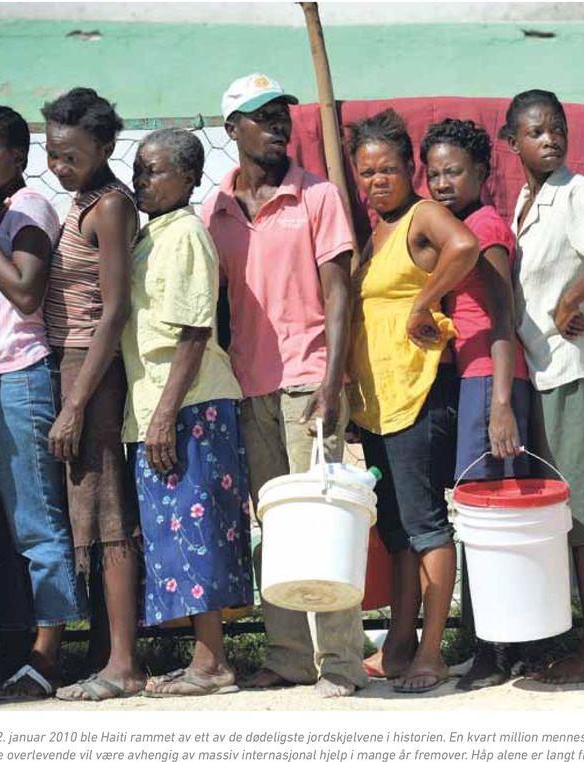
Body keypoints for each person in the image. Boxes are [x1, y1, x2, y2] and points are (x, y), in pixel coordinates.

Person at [200, 73, 368, 699]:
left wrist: (332, 378)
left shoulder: (318, 196)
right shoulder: (213, 209)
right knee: (277, 523)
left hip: (309, 381)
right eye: (261, 115)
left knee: (322, 520)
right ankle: (292, 656)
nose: (278, 124)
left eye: (282, 113)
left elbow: (339, 291)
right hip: (248, 387)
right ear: (232, 130)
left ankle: (343, 664)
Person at [503, 89, 584, 685]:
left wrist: (571, 298)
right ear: (512, 142)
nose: (550, 139)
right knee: (559, 514)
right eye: (535, 132)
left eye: (557, 129)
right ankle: (571, 639)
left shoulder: (576, 191)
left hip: (571, 372)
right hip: (539, 374)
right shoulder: (525, 201)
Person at [347, 108, 479, 693]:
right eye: (367, 172)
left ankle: (432, 651)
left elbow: (465, 246)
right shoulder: (373, 231)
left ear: (409, 170)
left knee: (426, 527)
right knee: (397, 532)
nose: (378, 180)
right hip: (379, 400)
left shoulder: (423, 215)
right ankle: (399, 645)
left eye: (389, 170)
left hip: (419, 393)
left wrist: (424, 303)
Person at [121, 128, 253, 696]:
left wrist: (164, 413)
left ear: (189, 177)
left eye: (153, 170)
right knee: (176, 532)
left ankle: (211, 662)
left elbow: (195, 330)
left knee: (200, 530)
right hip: (159, 402)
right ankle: (205, 659)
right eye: (139, 170)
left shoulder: (187, 237)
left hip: (189, 404)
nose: (141, 181)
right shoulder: (152, 236)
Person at [41, 88, 145, 701]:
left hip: (91, 367)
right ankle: (105, 653)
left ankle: (125, 664)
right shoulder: (80, 200)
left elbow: (114, 311)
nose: (59, 165)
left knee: (108, 513)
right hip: (72, 362)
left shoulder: (109, 206)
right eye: (53, 154)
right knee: (91, 507)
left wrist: (76, 402)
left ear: (105, 148)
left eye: (72, 155)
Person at [419, 117, 530, 690]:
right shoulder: (459, 227)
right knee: (483, 516)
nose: (441, 182)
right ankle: (496, 645)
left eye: (454, 171)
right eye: (434, 173)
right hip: (474, 379)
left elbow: (504, 315)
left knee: (486, 519)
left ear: (482, 172)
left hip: (491, 379)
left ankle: (494, 650)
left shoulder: (485, 226)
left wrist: (502, 404)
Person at [0, 104, 87, 700]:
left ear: (18, 158)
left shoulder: (29, 209)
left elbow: (25, 292)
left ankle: (49, 656)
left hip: (21, 377)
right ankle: (12, 646)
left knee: (37, 523)